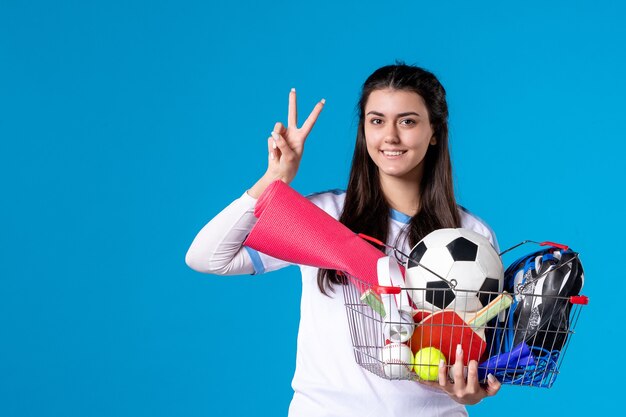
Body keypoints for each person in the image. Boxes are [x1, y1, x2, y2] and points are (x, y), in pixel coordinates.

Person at [186, 63, 502, 416]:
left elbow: (478, 357)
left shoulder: (472, 235)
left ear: (434, 132)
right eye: (377, 120)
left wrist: (470, 393)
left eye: (408, 121)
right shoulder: (321, 216)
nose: (390, 137)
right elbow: (207, 256)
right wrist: (274, 180)